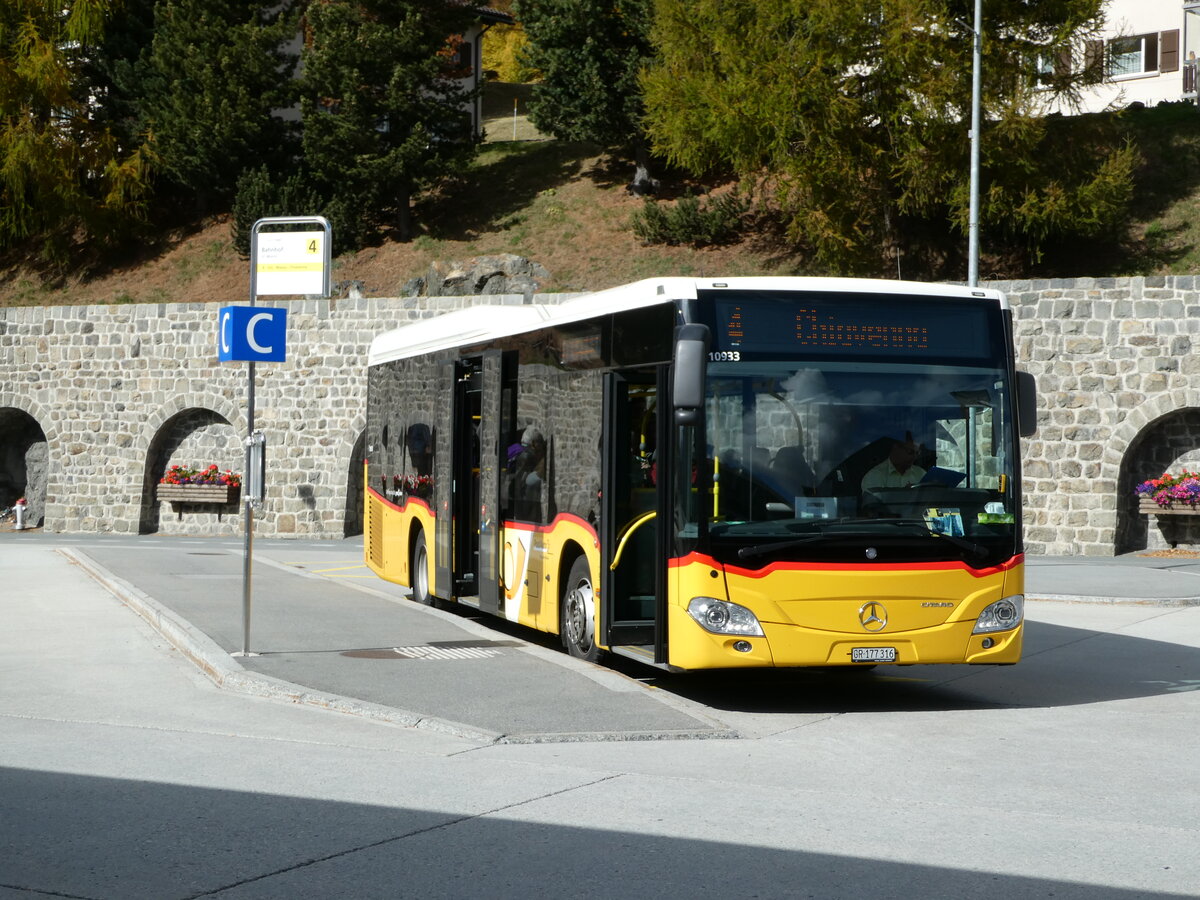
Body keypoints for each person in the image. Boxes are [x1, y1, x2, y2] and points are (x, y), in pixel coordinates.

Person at [861, 433, 926, 492]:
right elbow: (874, 503)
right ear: (896, 447)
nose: (914, 457)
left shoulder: (921, 474)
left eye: (917, 453)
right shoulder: (874, 476)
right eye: (910, 452)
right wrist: (906, 494)